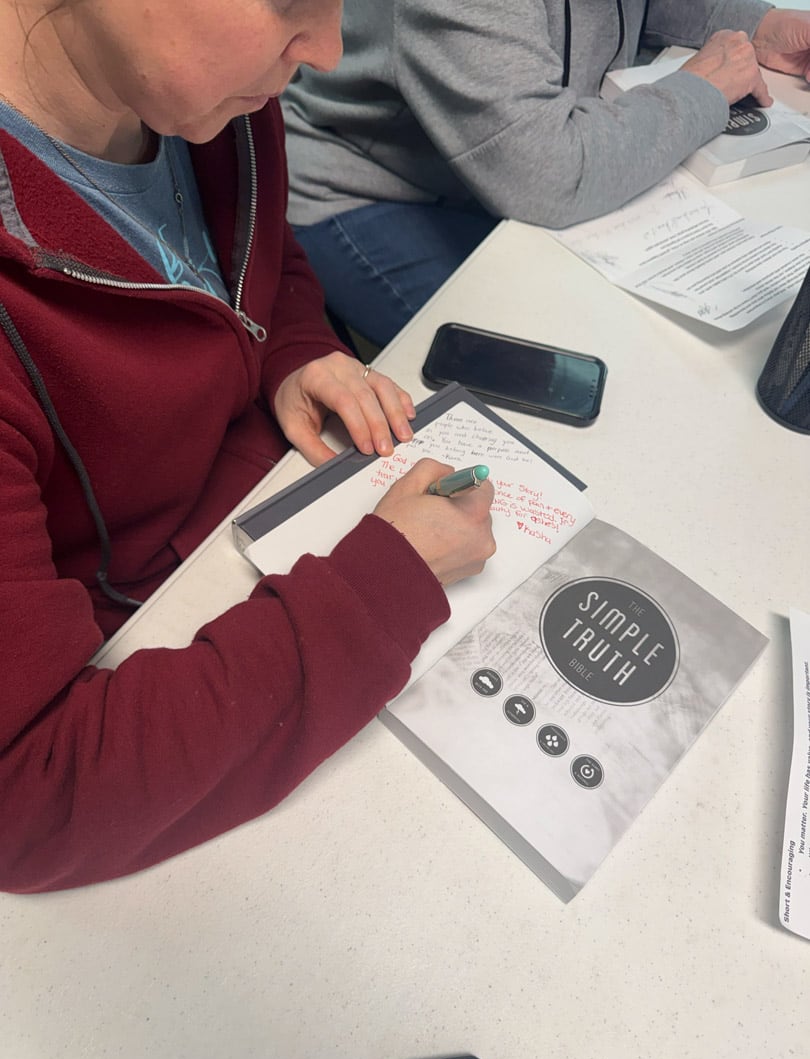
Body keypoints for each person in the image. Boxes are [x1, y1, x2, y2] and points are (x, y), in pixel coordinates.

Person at [0, 0, 497, 893]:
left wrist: (295, 350)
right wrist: (387, 582)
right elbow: (26, 797)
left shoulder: (201, 99)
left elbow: (262, 263)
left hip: (246, 544)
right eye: (291, 4)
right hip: (142, 661)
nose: (329, 51)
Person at [282, 0, 810, 346]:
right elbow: (550, 178)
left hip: (498, 170)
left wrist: (756, 24)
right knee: (568, 370)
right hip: (363, 191)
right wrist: (704, 91)